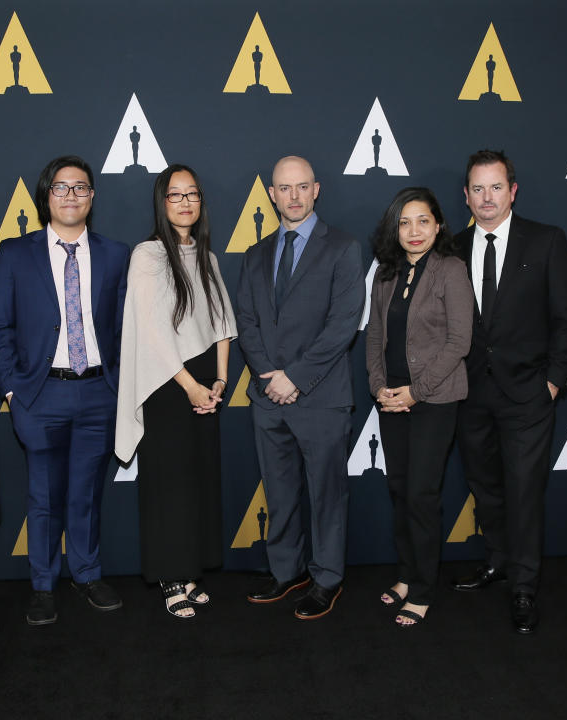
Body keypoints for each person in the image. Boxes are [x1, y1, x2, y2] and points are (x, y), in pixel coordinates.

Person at [0, 155, 130, 626]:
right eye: (61, 187)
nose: (71, 195)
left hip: (97, 393)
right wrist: (11, 390)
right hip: (39, 393)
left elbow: (127, 327)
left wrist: (118, 387)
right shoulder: (14, 254)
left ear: (92, 197)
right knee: (43, 496)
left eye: (80, 187)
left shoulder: (115, 255)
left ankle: (87, 574)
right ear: (45, 196)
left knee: (86, 492)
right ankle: (43, 585)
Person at [452, 150, 567, 634]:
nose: (487, 198)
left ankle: (524, 586)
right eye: (478, 189)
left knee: (524, 492)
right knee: (486, 489)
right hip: (470, 395)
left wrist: (552, 383)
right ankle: (498, 561)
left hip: (528, 394)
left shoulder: (547, 242)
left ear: (513, 190)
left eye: (496, 188)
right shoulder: (452, 247)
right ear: (466, 195)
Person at [236, 155, 364, 620]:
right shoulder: (255, 255)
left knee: (327, 495)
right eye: (283, 188)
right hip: (269, 398)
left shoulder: (343, 248)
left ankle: (327, 577)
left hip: (321, 397)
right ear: (272, 194)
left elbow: (343, 324)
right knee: (280, 491)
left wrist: (296, 377)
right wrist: (271, 376)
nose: (292, 196)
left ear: (316, 190)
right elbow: (246, 322)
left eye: (301, 187)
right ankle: (287, 570)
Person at [115, 164, 236, 619]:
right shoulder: (148, 255)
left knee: (199, 478)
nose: (185, 202)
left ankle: (190, 572)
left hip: (207, 380)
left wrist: (220, 381)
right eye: (175, 195)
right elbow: (150, 330)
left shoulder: (208, 256)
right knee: (169, 482)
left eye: (192, 195)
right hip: (168, 382)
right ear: (161, 203)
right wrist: (189, 386)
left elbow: (223, 325)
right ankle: (169, 578)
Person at [365, 187, 472, 627]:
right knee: (399, 491)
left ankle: (424, 589)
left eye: (423, 221)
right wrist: (379, 387)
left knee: (422, 496)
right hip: (392, 402)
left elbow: (459, 343)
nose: (413, 231)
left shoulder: (451, 269)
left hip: (435, 401)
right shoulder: (385, 274)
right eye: (404, 222)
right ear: (395, 228)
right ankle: (408, 575)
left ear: (439, 225)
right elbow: (374, 337)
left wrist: (415, 390)